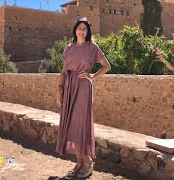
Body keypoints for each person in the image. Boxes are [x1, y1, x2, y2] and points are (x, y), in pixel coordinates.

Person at [55, 17, 111, 179]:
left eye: (85, 28)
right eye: (79, 27)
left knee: (81, 125)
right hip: (69, 87)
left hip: (83, 88)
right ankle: (78, 163)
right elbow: (64, 71)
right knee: (72, 124)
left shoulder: (92, 47)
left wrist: (92, 76)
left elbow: (107, 66)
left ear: (88, 32)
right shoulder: (69, 48)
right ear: (75, 30)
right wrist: (59, 90)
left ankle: (88, 164)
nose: (82, 30)